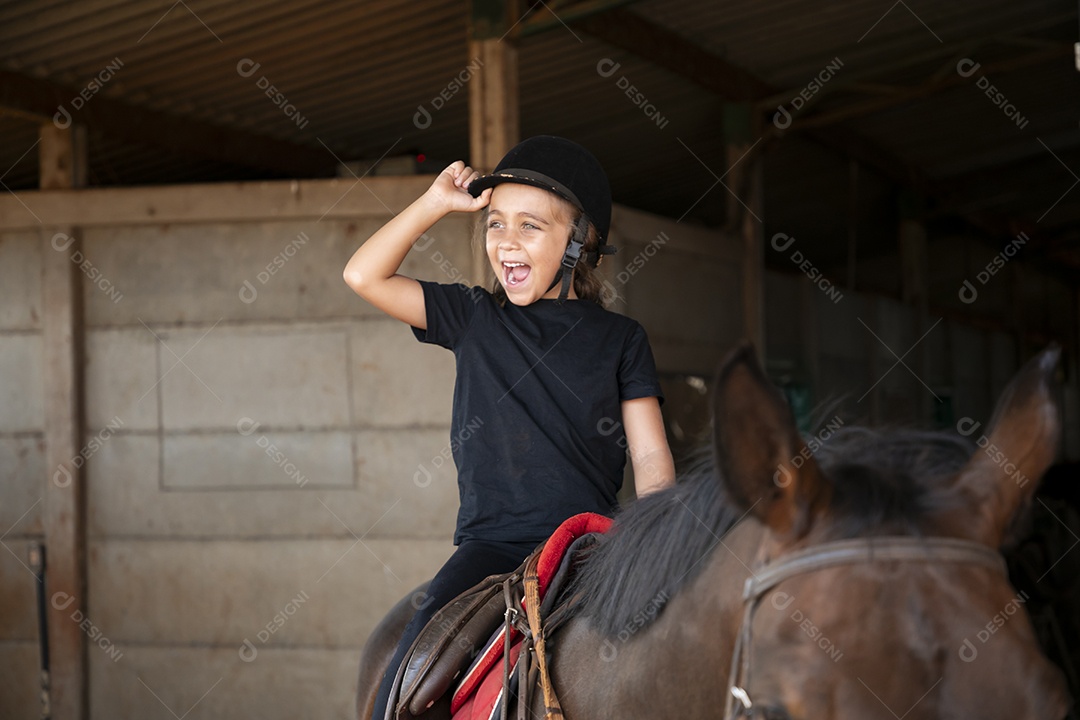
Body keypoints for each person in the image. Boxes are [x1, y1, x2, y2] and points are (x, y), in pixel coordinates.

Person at [343, 135, 675, 719]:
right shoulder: (472, 317)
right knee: (408, 673)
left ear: (579, 242)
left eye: (530, 226)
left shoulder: (622, 340)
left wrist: (658, 546)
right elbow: (363, 275)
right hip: (490, 547)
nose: (506, 242)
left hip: (589, 543)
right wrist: (434, 203)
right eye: (496, 225)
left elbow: (650, 459)